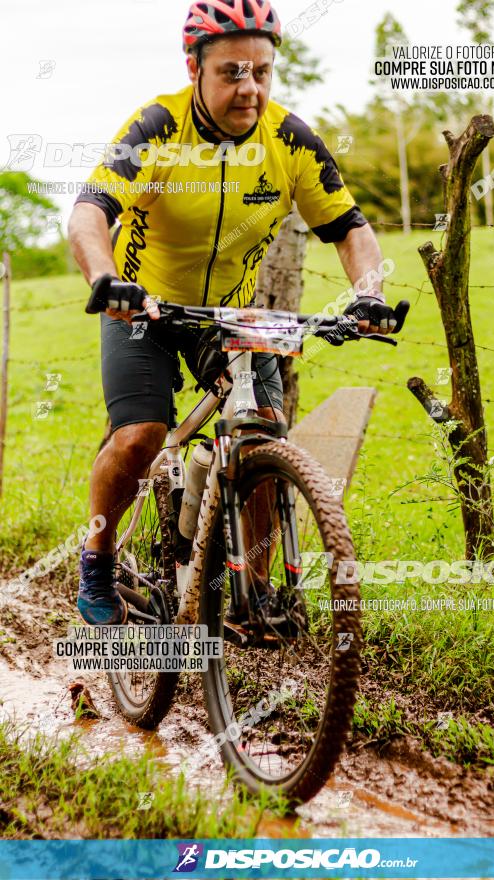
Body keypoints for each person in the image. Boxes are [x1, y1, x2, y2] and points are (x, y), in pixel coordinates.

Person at [68, 0, 401, 625]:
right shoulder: (158, 127)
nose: (249, 88)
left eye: (262, 71)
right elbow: (91, 212)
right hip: (144, 307)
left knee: (265, 431)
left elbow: (350, 227)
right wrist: (106, 278)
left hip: (228, 316)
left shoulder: (289, 139)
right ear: (193, 66)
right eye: (231, 73)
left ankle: (256, 593)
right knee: (139, 435)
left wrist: (369, 295)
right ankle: (97, 556)